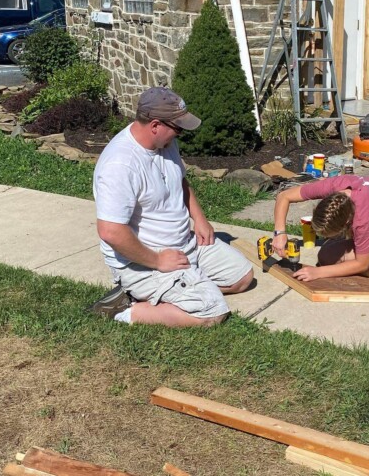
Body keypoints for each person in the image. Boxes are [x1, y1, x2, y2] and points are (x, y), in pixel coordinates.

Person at [88, 86, 254, 327]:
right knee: (210, 313)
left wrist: (200, 218)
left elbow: (180, 181)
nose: (180, 134)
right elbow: (110, 231)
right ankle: (125, 311)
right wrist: (157, 261)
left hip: (184, 245)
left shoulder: (165, 144)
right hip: (145, 260)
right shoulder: (120, 165)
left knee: (242, 277)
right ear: (155, 125)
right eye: (177, 129)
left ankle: (180, 290)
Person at [272, 174, 369, 282]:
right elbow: (284, 196)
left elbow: (361, 264)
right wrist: (280, 233)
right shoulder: (335, 187)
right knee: (331, 249)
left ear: (347, 222)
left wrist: (318, 272)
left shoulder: (363, 220)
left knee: (326, 258)